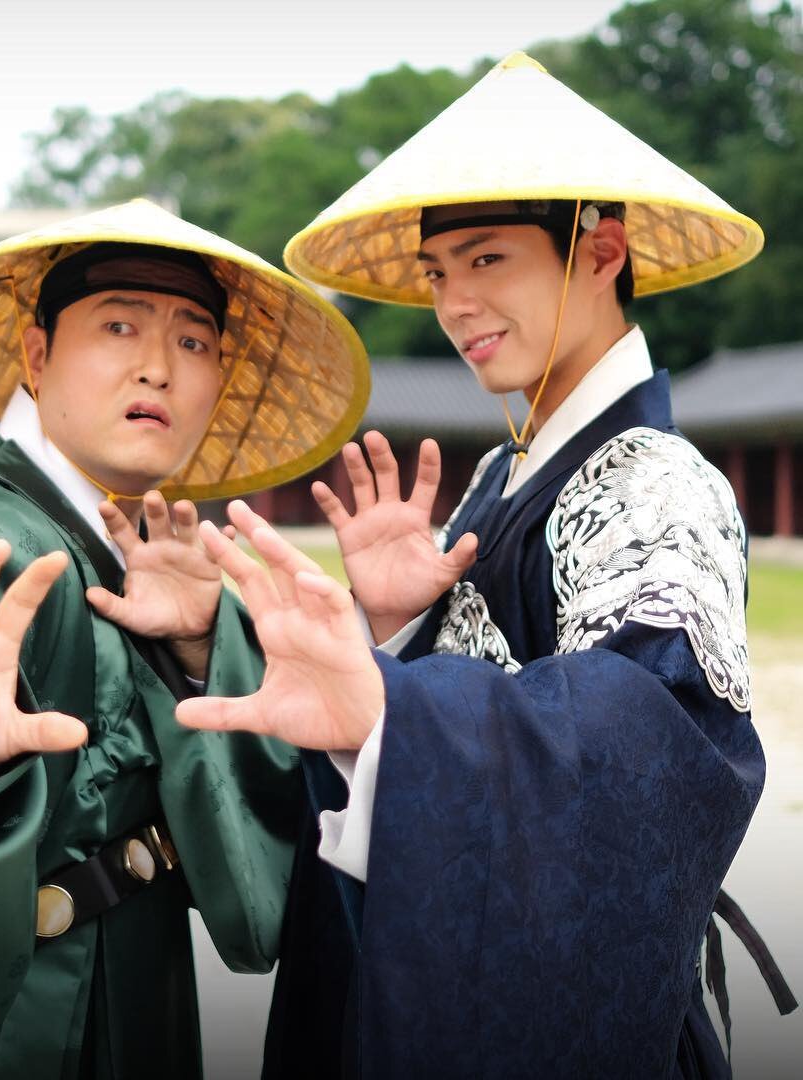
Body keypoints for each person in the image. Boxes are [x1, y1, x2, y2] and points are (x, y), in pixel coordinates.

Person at [176, 53, 795, 1078]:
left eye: (486, 260)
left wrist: (394, 715)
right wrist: (392, 632)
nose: (454, 302)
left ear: (600, 250)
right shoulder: (499, 479)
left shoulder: (656, 484)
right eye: (437, 274)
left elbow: (640, 766)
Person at [0, 199, 369, 1079]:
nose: (159, 368)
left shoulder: (134, 552)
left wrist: (202, 641)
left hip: (136, 979)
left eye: (195, 342)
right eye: (119, 326)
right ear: (36, 356)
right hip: (20, 1019)